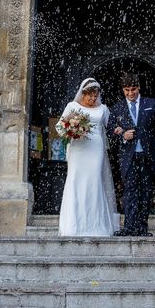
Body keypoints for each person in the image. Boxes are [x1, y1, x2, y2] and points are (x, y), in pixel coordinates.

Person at [108, 73, 155, 237]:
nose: (130, 93)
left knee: (145, 192)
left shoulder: (151, 103)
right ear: (123, 90)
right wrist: (122, 135)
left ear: (139, 87)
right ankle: (129, 227)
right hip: (128, 157)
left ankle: (142, 227)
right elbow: (110, 131)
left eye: (133, 89)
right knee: (130, 191)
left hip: (147, 155)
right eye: (127, 90)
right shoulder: (117, 108)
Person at [56, 78, 119, 237]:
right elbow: (59, 127)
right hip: (78, 148)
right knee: (76, 180)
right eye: (89, 95)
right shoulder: (72, 106)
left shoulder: (103, 109)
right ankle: (73, 226)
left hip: (96, 147)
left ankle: (96, 226)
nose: (92, 99)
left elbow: (111, 126)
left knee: (94, 181)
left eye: (95, 95)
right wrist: (72, 130)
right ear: (83, 94)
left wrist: (120, 130)